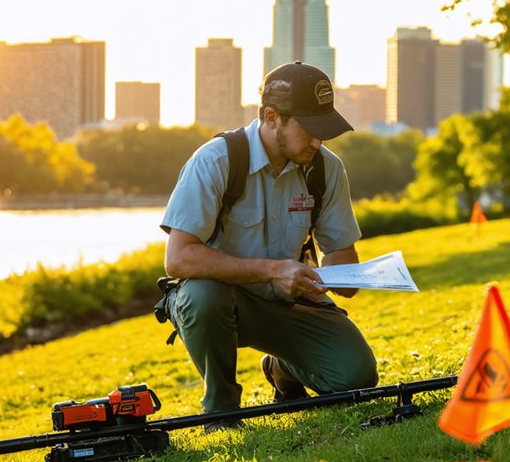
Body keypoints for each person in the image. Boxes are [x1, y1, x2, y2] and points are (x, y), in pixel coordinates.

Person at [160, 61, 378, 431]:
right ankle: (221, 411)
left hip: (290, 305)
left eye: (324, 131)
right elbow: (178, 258)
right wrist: (274, 270)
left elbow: (342, 257)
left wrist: (344, 276)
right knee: (201, 296)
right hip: (221, 304)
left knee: (356, 376)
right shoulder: (215, 161)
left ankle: (281, 369)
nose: (318, 142)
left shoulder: (326, 169)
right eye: (310, 129)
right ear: (272, 116)